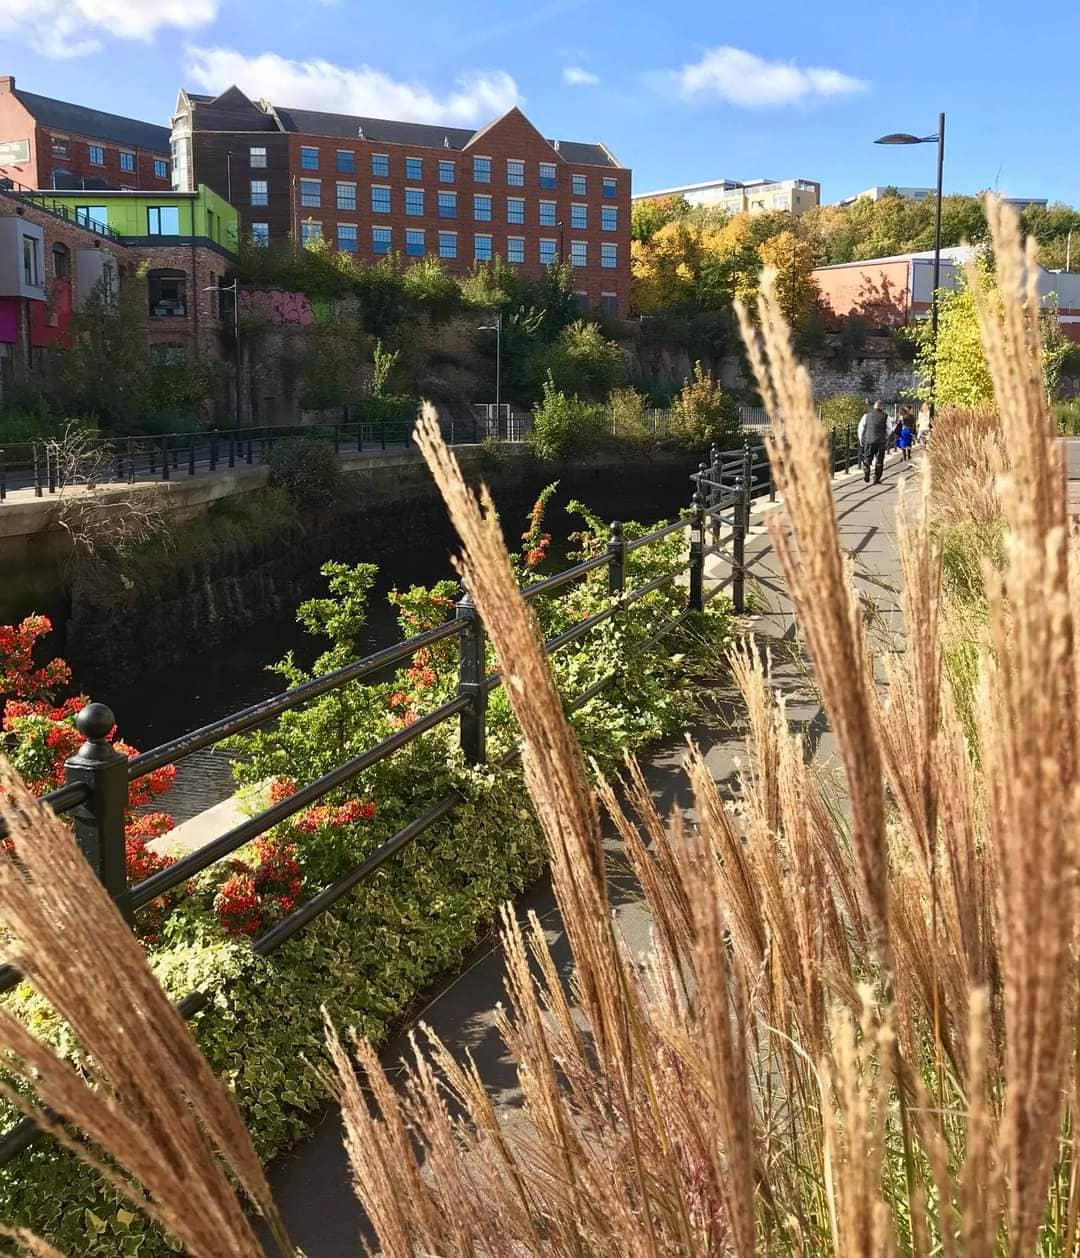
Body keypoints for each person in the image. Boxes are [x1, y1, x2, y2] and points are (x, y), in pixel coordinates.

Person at [857, 400, 888, 484]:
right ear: (882, 407)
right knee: (879, 461)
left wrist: (861, 439)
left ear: (874, 406)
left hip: (868, 440)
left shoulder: (866, 416)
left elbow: (861, 428)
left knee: (867, 457)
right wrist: (886, 436)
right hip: (880, 441)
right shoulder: (885, 416)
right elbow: (889, 428)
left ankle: (866, 470)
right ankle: (876, 478)